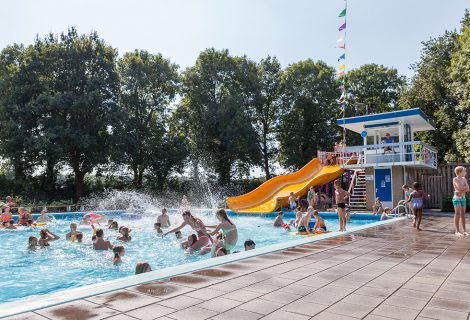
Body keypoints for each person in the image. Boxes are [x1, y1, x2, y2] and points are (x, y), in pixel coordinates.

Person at [453, 166, 469, 237]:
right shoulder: (455, 179)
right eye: (464, 171)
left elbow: (468, 188)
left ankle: (465, 231)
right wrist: (464, 188)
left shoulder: (464, 179)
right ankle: (457, 231)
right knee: (457, 214)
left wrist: (462, 189)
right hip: (457, 198)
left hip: (463, 198)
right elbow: (459, 188)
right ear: (459, 172)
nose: (465, 172)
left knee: (463, 214)